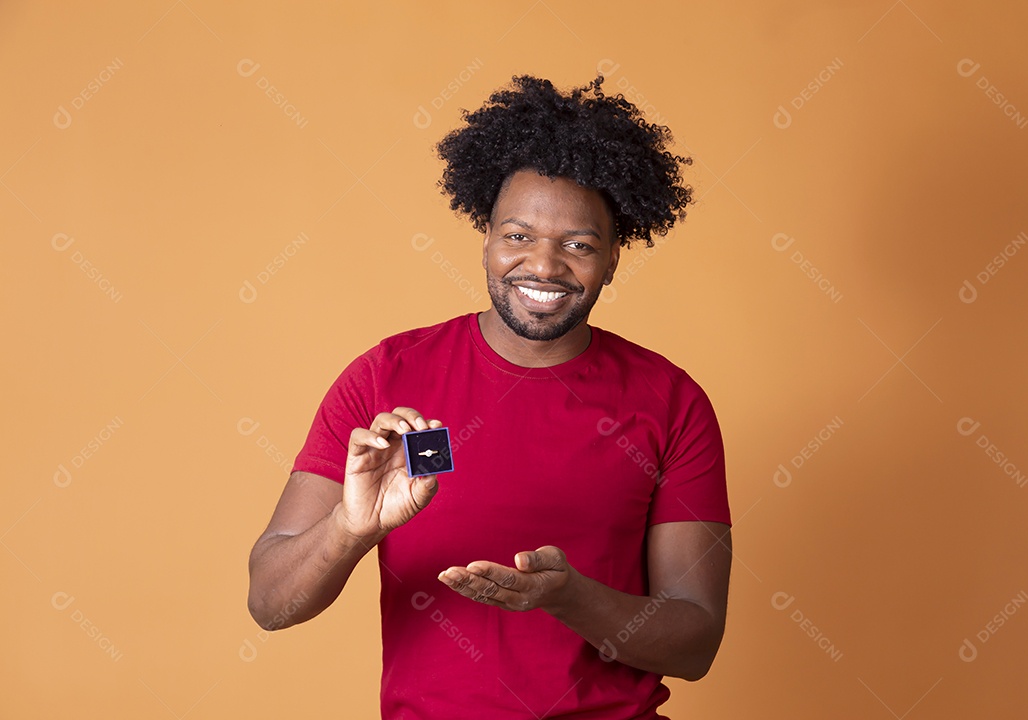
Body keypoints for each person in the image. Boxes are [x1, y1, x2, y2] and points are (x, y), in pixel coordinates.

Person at [247, 74, 733, 719]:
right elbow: (269, 605)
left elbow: (694, 643)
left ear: (614, 257)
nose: (544, 265)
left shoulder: (671, 401)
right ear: (486, 237)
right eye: (518, 235)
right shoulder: (385, 379)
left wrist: (568, 598)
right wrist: (349, 529)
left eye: (579, 245)